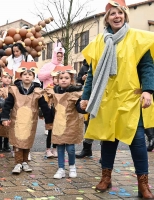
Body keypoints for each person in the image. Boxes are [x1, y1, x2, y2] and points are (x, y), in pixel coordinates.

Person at [80, 0, 154, 198]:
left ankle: (143, 184)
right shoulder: (98, 42)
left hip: (130, 99)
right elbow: (93, 73)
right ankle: (106, 177)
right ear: (107, 18)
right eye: (112, 13)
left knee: (137, 140)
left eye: (119, 12)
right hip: (106, 100)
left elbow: (147, 66)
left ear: (125, 15)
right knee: (108, 140)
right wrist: (86, 97)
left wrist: (148, 90)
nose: (116, 16)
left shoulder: (138, 38)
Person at [1, 61, 52, 174]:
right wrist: (5, 117)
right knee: (18, 140)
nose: (27, 76)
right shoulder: (14, 90)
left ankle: (25, 162)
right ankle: (18, 163)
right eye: (25, 74)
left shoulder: (38, 91)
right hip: (17, 120)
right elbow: (7, 104)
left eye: (30, 74)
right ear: (21, 76)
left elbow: (44, 106)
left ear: (33, 77)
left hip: (30, 121)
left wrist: (49, 120)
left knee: (27, 140)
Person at [45, 66, 84, 179]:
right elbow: (52, 107)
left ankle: (72, 166)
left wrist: (82, 107)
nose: (63, 80)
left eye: (66, 78)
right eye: (61, 77)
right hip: (59, 123)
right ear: (57, 79)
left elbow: (78, 107)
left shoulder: (76, 92)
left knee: (70, 148)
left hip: (71, 122)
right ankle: (61, 168)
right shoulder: (55, 91)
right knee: (60, 146)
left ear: (71, 80)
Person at [75, 59, 93, 159]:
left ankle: (105, 153)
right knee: (89, 123)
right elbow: (78, 80)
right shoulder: (84, 67)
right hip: (89, 97)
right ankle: (87, 149)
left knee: (104, 126)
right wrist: (82, 78)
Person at [0, 68, 13, 152]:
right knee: (0, 127)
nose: (7, 79)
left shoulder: (13, 89)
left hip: (9, 111)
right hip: (1, 110)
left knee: (8, 128)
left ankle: (6, 144)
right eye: (5, 77)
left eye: (9, 78)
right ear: (1, 78)